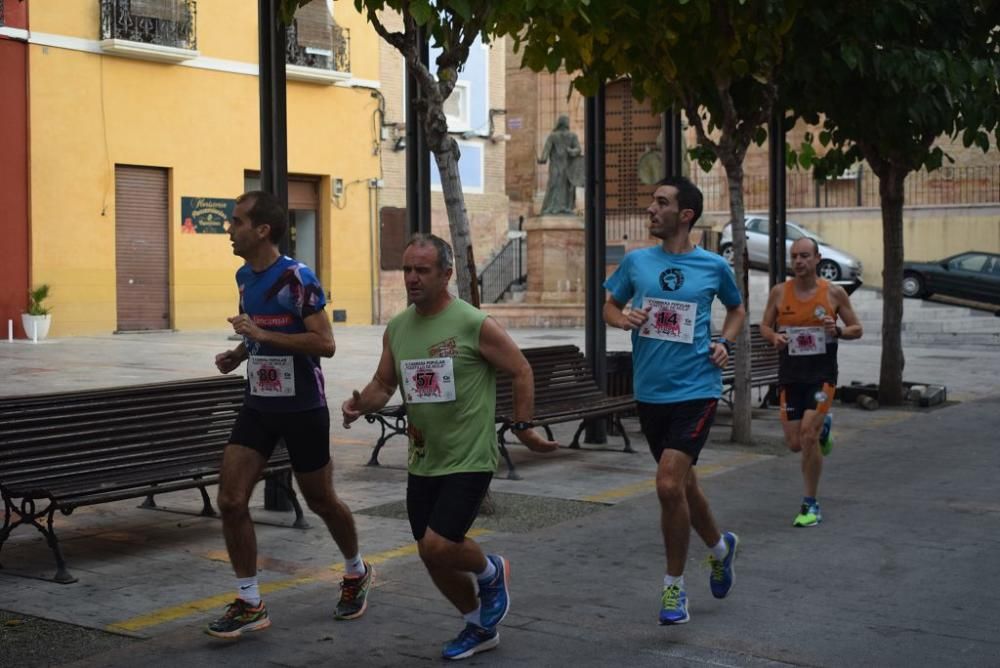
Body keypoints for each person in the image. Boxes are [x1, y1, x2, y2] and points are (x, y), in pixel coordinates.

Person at [341, 233, 558, 660]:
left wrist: (524, 427)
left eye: (422, 270)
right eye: (406, 269)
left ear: (446, 274)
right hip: (424, 458)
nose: (411, 278)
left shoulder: (472, 323)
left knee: (440, 544)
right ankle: (478, 626)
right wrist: (359, 403)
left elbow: (521, 369)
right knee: (431, 554)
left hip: (469, 456)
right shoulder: (399, 327)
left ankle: (491, 570)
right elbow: (385, 383)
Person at [206, 191, 373, 639]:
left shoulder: (297, 278)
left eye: (237, 221)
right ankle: (249, 600)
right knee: (230, 500)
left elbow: (326, 344)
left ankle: (356, 570)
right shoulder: (244, 276)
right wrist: (240, 353)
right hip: (259, 404)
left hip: (303, 408)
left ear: (262, 230)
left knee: (321, 500)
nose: (230, 229)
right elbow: (259, 330)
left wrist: (259, 333)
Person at [603, 176, 746, 626]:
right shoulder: (636, 262)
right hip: (651, 392)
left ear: (685, 215)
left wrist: (725, 341)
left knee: (667, 484)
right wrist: (623, 316)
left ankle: (673, 589)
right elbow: (609, 305)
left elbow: (737, 309)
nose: (650, 209)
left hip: (698, 389)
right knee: (685, 486)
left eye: (661, 203)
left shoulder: (712, 266)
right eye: (651, 201)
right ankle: (721, 549)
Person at [759, 237, 863, 527]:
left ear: (818, 258)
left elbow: (857, 329)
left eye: (805, 256)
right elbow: (765, 325)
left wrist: (838, 330)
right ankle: (824, 428)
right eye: (795, 256)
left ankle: (810, 504)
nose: (799, 262)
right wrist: (774, 337)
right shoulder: (780, 293)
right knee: (794, 443)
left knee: (808, 435)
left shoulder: (834, 293)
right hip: (790, 377)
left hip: (822, 376)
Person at [538, 114, 583, 215]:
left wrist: (541, 160)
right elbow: (578, 150)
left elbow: (545, 154)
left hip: (563, 167)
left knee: (557, 186)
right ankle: (555, 207)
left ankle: (563, 208)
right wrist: (572, 151)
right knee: (558, 186)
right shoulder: (558, 136)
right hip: (563, 166)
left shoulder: (557, 136)